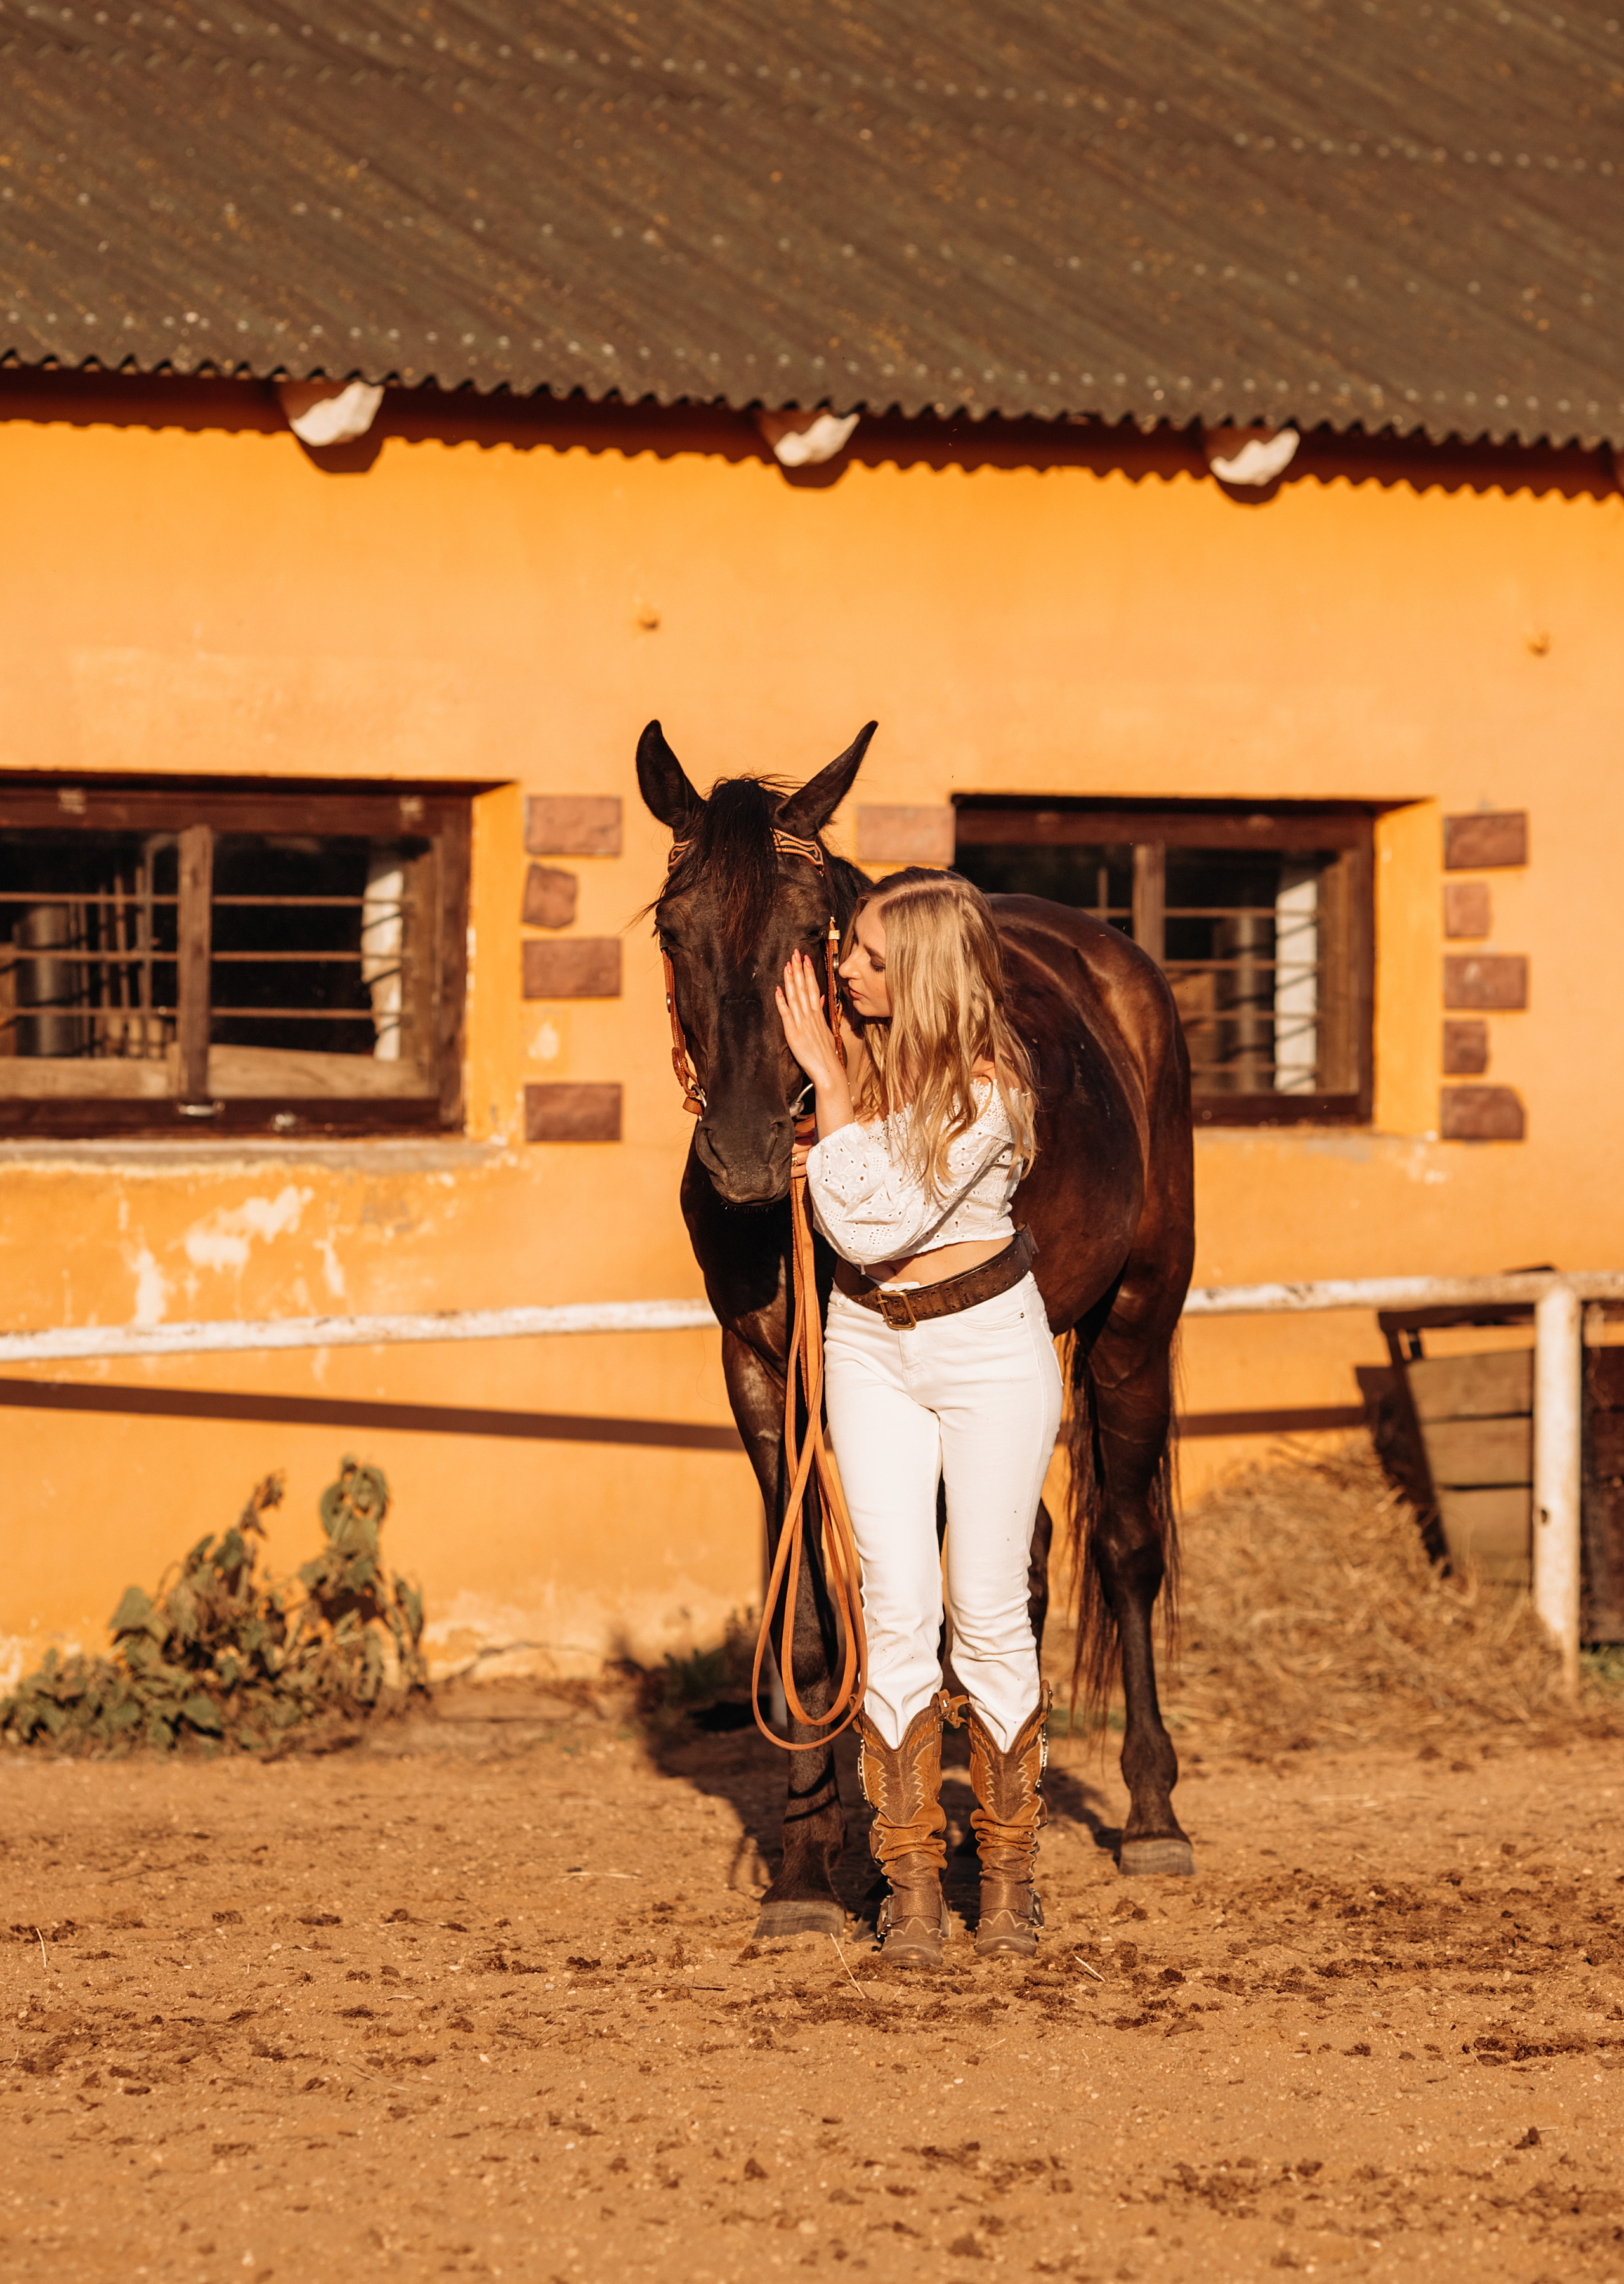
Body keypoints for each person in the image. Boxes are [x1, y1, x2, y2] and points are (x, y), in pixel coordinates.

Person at [775, 867, 1063, 1968]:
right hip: (869, 1342)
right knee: (895, 1608)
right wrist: (826, 1110)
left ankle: (1008, 1882)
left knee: (986, 1609)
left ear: (928, 974)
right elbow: (856, 1235)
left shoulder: (991, 1093)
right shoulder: (859, 1070)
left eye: (868, 957)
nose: (844, 969)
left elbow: (869, 1218)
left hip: (988, 1347)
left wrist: (835, 1112)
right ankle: (910, 1893)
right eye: (848, 950)